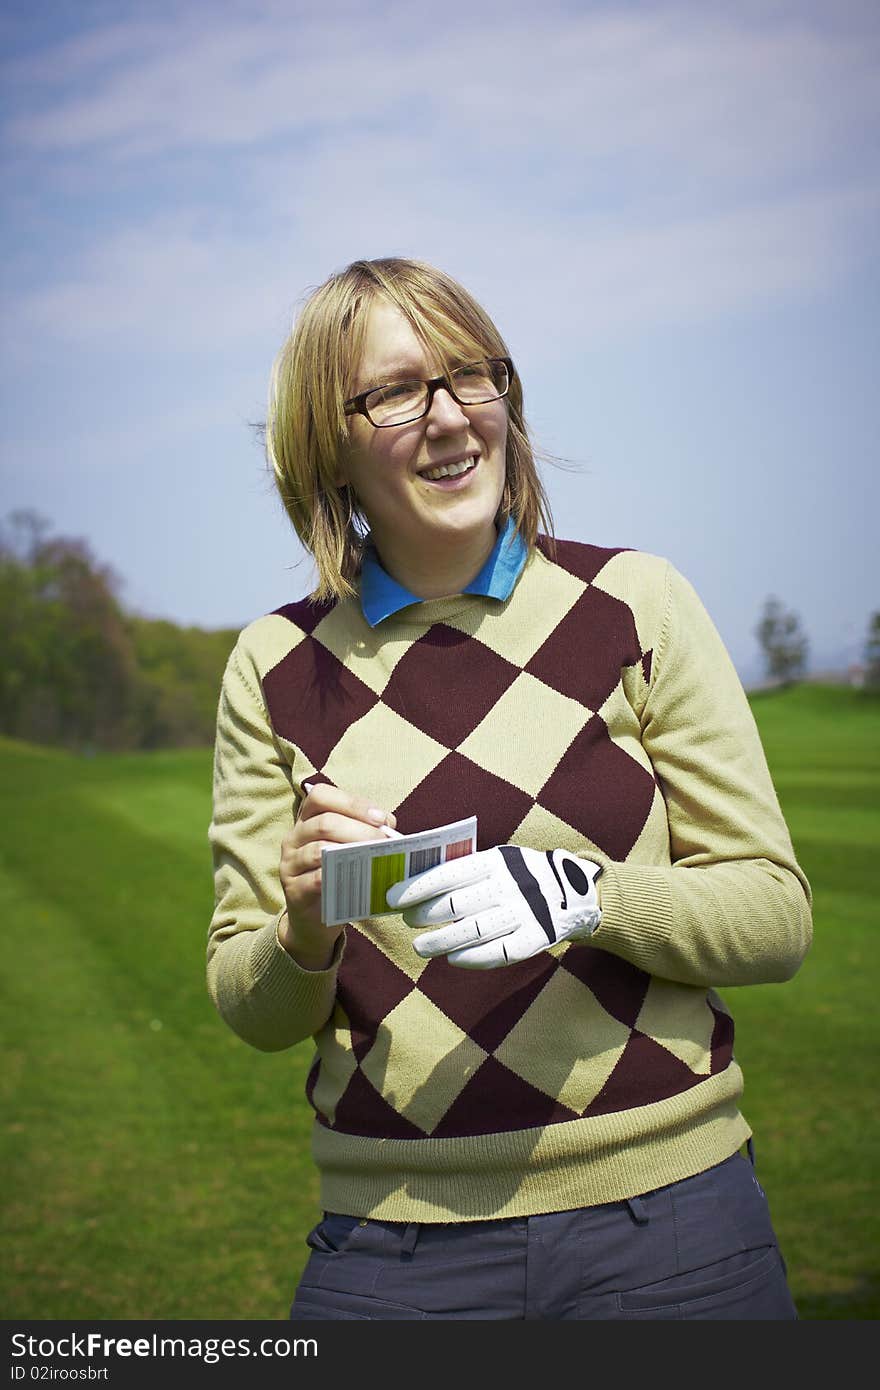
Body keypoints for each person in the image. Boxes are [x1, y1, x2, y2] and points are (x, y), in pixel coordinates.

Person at [207, 256, 812, 1320]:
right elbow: (251, 1006)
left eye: (469, 376)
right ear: (326, 441)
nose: (447, 418)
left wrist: (586, 895)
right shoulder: (274, 663)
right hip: (392, 1252)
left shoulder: (632, 602)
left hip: (672, 1228)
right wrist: (303, 926)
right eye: (395, 391)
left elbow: (774, 915)